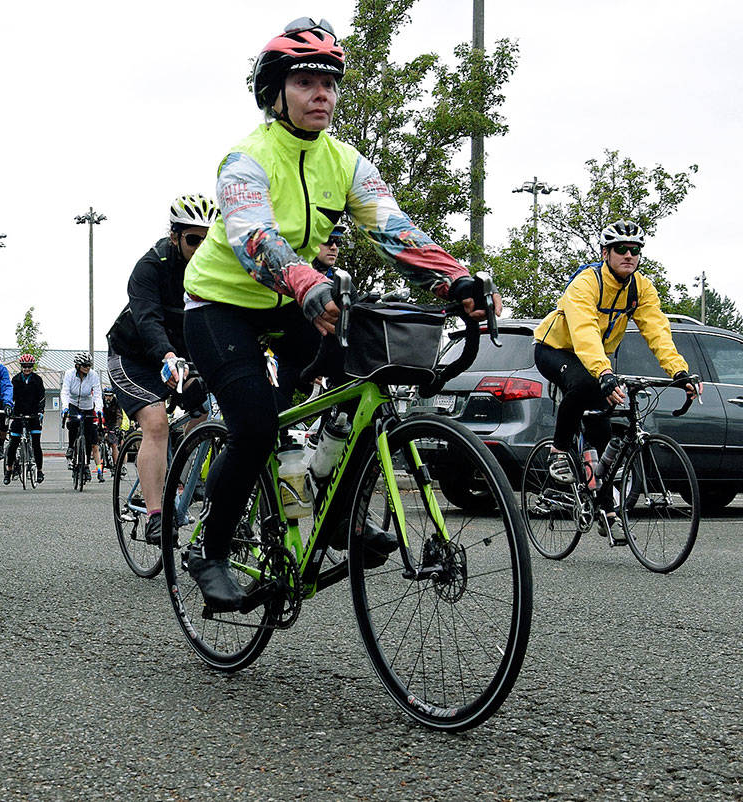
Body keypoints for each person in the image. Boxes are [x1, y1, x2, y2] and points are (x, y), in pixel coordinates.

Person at [180, 18, 493, 611]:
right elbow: (254, 238)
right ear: (275, 92)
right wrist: (305, 279)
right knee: (255, 424)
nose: (321, 93)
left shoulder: (346, 162)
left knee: (364, 390)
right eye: (305, 82)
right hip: (221, 307)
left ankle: (341, 514)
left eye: (329, 83)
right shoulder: (245, 159)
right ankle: (209, 550)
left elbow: (394, 230)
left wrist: (454, 277)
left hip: (299, 303)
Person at [532, 219, 699, 538]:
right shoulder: (586, 283)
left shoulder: (641, 289)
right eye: (621, 249)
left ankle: (606, 509)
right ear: (605, 253)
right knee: (583, 385)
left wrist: (678, 371)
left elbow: (657, 332)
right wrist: (604, 373)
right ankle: (559, 454)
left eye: (635, 250)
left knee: (603, 432)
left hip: (595, 360)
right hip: (555, 348)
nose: (629, 255)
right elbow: (584, 331)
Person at [106, 193, 217, 541]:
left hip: (181, 354)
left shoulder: (217, 269)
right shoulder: (150, 266)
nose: (201, 248)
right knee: (155, 424)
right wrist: (168, 357)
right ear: (174, 236)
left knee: (207, 411)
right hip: (134, 356)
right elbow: (148, 321)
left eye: (209, 239)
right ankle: (156, 514)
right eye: (193, 239)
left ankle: (179, 470)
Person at [61, 352, 105, 481]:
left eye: (89, 365)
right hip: (73, 403)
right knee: (73, 423)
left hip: (87, 405)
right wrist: (65, 407)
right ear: (78, 365)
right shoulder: (69, 374)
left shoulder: (93, 375)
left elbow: (97, 394)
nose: (87, 368)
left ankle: (86, 465)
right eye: (85, 365)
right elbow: (65, 392)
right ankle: (71, 447)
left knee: (88, 434)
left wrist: (98, 409)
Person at [6, 353, 46, 484]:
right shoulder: (16, 380)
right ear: (21, 367)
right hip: (19, 414)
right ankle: (9, 470)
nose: (27, 369)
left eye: (29, 366)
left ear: (32, 367)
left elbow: (42, 397)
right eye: (24, 366)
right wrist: (9, 409)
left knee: (36, 444)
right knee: (13, 444)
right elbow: (11, 397)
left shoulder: (37, 380)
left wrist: (40, 412)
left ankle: (39, 471)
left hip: (33, 415)